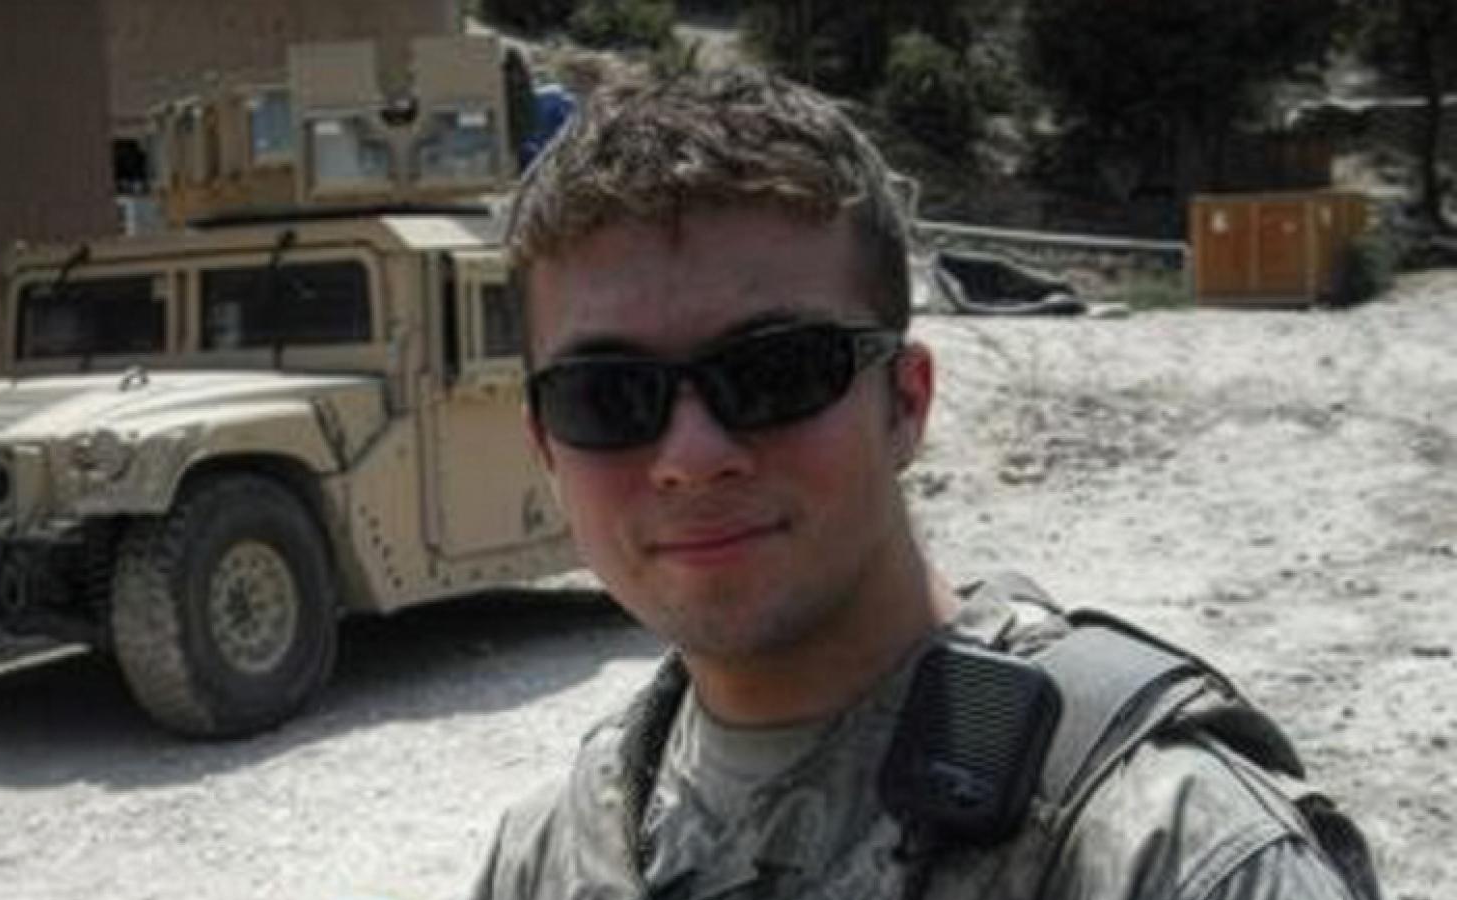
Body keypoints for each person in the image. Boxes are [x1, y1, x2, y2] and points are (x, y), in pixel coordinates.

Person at [471, 67, 1369, 899]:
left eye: (777, 372)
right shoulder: (551, 854)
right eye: (607, 396)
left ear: (906, 403)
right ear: (545, 443)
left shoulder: (1160, 848)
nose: (692, 454)